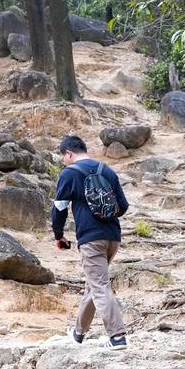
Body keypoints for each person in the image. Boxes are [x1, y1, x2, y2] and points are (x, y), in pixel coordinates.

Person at [52, 134, 129, 349]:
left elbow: (59, 208)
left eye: (63, 157)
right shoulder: (107, 170)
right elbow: (123, 206)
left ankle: (117, 336)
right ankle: (78, 332)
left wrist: (58, 235)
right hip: (113, 237)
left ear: (69, 153)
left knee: (99, 285)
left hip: (90, 238)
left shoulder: (69, 173)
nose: (63, 162)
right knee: (93, 284)